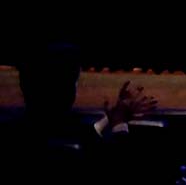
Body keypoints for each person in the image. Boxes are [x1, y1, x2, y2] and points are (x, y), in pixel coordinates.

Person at [3, 42, 159, 183]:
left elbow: (79, 134)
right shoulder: (82, 148)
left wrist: (111, 118)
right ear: (67, 91)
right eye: (74, 82)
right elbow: (122, 168)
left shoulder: (12, 134)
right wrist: (120, 124)